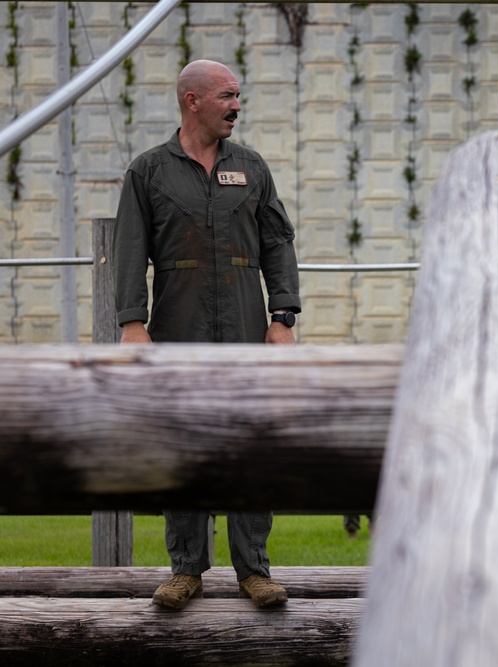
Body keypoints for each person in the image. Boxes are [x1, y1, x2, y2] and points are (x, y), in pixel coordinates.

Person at [112, 59, 301, 611]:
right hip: (178, 326)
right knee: (185, 446)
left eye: (238, 96)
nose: (236, 106)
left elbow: (277, 244)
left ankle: (254, 571)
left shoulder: (253, 168)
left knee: (249, 445)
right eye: (227, 96)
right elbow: (130, 251)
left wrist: (282, 318)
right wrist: (132, 325)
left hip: (245, 323)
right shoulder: (149, 172)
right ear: (191, 101)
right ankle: (186, 570)